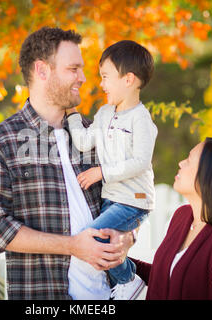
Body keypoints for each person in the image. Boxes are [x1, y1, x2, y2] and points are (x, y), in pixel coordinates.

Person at [0, 26, 135, 300]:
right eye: (73, 69)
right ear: (42, 71)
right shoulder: (2, 141)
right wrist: (72, 246)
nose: (84, 78)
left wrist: (127, 237)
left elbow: (129, 198)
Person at [64, 40, 157, 300]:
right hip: (112, 200)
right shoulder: (105, 113)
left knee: (91, 238)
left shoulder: (141, 119)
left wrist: (101, 172)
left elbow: (140, 161)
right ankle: (127, 280)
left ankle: (129, 280)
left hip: (134, 202)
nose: (101, 84)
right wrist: (71, 112)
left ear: (128, 79)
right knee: (103, 244)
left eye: (105, 77)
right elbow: (82, 141)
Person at [130, 137, 212, 299]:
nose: (181, 163)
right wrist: (122, 262)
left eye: (189, 159)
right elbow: (169, 278)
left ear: (211, 175)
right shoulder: (182, 216)